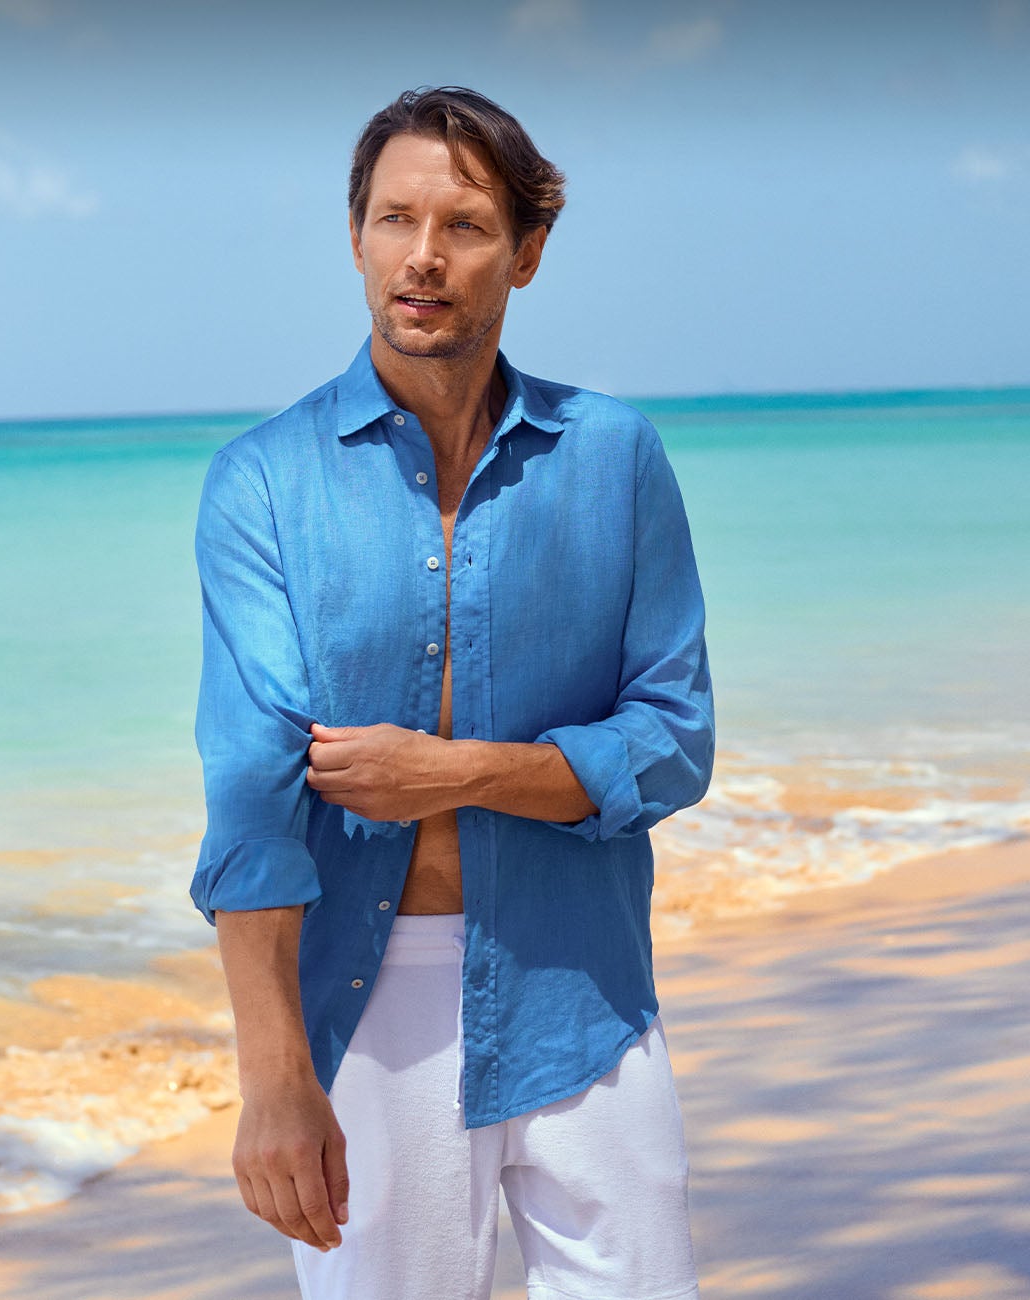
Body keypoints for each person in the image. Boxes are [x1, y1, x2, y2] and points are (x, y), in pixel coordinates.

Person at [189, 84, 715, 1300]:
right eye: (393, 219)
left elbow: (675, 739)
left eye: (467, 225)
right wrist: (274, 1080)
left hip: (583, 985)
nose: (423, 257)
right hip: (369, 1016)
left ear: (527, 252)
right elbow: (252, 804)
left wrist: (454, 771)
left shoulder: (616, 459)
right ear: (357, 236)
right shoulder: (263, 483)